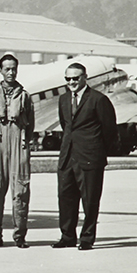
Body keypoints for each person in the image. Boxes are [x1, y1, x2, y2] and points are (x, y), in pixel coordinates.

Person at [54, 62, 118, 250]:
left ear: (85, 77)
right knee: (65, 198)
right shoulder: (63, 99)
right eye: (68, 79)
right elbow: (66, 126)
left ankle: (87, 238)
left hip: (90, 157)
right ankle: (67, 236)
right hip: (68, 157)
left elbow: (109, 129)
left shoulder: (98, 99)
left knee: (90, 200)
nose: (72, 82)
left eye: (76, 78)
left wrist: (98, 152)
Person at [0, 53, 34, 249]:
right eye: (7, 69)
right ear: (0, 70)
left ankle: (20, 236)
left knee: (21, 190)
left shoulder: (25, 96)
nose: (10, 72)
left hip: (19, 145)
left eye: (13, 68)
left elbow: (30, 125)